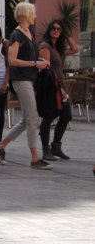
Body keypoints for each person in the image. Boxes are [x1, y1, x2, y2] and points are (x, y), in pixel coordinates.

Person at [0, 2, 52, 170]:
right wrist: (35, 63)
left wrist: (38, 62)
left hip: (29, 78)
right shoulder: (17, 34)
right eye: (33, 13)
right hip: (21, 80)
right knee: (33, 118)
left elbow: (26, 57)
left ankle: (1, 145)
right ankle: (35, 158)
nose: (35, 16)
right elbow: (11, 60)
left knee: (28, 119)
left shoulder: (28, 33)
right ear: (26, 15)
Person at [38, 19, 78, 161]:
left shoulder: (57, 48)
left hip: (60, 86)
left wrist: (66, 35)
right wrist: (58, 89)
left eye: (59, 29)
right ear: (49, 30)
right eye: (53, 28)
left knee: (66, 115)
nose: (56, 31)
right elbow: (46, 69)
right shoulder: (45, 46)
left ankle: (56, 146)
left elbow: (75, 49)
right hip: (51, 87)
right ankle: (46, 149)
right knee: (48, 117)